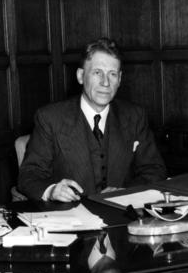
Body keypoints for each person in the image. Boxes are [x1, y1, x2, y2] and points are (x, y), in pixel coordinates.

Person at [18, 38, 167, 202]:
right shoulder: (50, 118)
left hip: (122, 217)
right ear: (81, 76)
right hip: (70, 218)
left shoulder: (134, 116)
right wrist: (52, 190)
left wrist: (124, 192)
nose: (105, 82)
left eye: (112, 74)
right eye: (97, 73)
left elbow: (155, 170)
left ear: (120, 79)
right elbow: (28, 176)